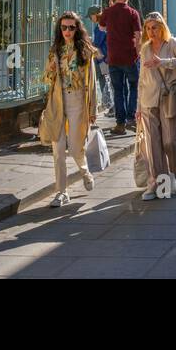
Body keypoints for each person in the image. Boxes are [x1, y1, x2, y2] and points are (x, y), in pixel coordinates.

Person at [39, 11, 99, 206]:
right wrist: (50, 70)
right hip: (58, 100)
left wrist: (93, 109)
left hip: (78, 101)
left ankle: (85, 172)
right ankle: (61, 192)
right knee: (58, 150)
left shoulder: (85, 51)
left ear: (77, 29)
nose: (67, 31)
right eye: (64, 27)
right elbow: (46, 78)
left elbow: (92, 82)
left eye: (71, 27)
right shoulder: (55, 50)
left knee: (74, 147)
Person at [135, 12, 176, 201]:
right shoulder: (145, 48)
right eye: (148, 28)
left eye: (155, 28)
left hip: (169, 99)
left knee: (171, 141)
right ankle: (157, 183)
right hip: (148, 101)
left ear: (162, 28)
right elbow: (142, 79)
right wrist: (138, 107)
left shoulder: (172, 43)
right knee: (152, 145)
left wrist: (164, 62)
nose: (151, 32)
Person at [101, 0, 141, 135]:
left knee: (118, 90)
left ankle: (120, 124)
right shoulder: (133, 13)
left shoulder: (108, 12)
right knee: (134, 86)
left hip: (113, 58)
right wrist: (139, 53)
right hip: (130, 56)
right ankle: (131, 117)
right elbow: (138, 35)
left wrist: (110, 6)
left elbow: (101, 27)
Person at [88, 5, 114, 116]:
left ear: (95, 15)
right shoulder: (101, 25)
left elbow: (99, 42)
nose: (90, 19)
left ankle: (110, 106)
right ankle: (109, 105)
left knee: (106, 81)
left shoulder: (103, 26)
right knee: (104, 81)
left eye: (90, 16)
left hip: (104, 58)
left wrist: (91, 43)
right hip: (102, 58)